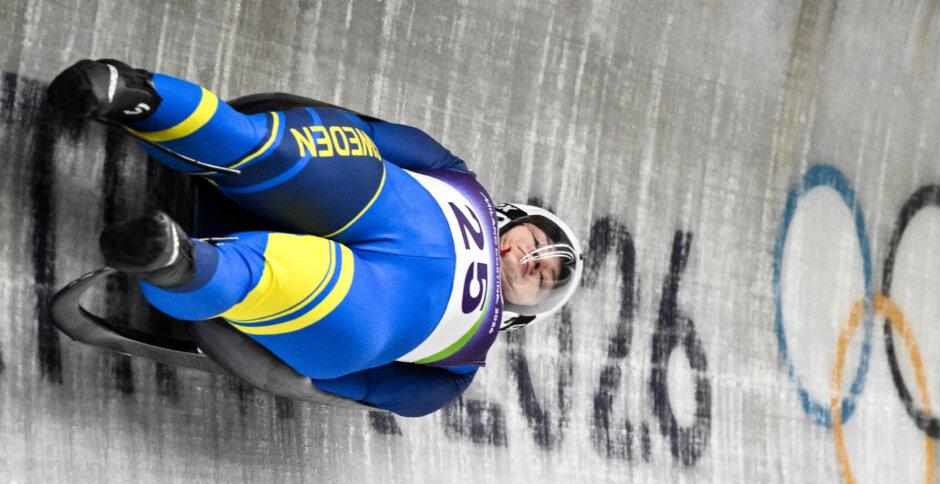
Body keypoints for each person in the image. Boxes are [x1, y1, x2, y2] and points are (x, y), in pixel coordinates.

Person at [47, 59, 583, 417]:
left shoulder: (456, 370)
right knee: (288, 156)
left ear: (522, 315)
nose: (536, 261)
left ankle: (181, 264)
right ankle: (138, 99)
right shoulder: (455, 176)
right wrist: (289, 124)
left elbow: (334, 386)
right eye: (538, 243)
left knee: (302, 281)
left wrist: (241, 348)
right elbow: (364, 132)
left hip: (376, 307)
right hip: (377, 201)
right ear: (512, 219)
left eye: (545, 279)